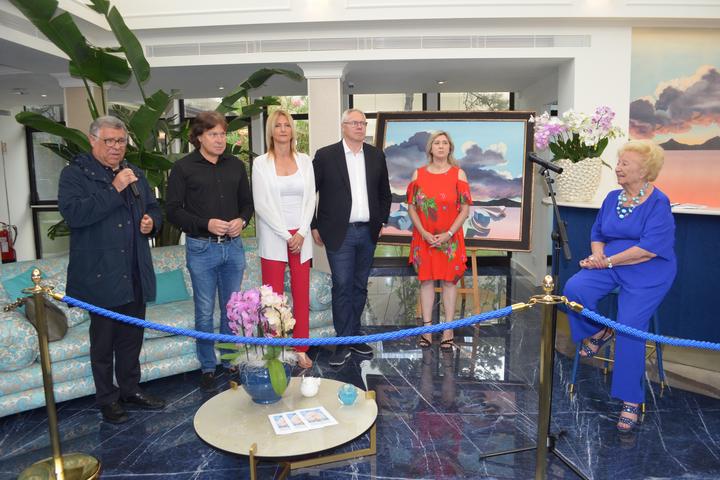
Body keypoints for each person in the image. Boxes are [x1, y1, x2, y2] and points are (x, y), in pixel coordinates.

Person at [58, 116, 165, 424]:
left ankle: (131, 390)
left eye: (121, 141)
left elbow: (154, 207)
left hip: (134, 270)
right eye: (109, 141)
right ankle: (107, 399)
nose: (117, 147)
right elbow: (75, 214)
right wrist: (115, 189)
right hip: (100, 274)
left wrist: (152, 222)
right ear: (93, 140)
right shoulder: (75, 174)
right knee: (103, 342)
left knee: (132, 338)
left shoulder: (134, 172)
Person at [563, 139, 676, 433]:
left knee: (629, 327)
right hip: (611, 262)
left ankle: (630, 400)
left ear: (644, 170)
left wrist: (607, 261)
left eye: (625, 163)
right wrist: (597, 256)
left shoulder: (658, 202)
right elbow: (598, 232)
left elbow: (648, 250)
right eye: (619, 162)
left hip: (649, 269)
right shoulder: (612, 197)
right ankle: (599, 331)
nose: (618, 168)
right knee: (574, 289)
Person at [166, 111, 253, 392]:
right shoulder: (183, 168)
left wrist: (242, 220)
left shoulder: (235, 165)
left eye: (223, 134)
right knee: (204, 311)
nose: (220, 139)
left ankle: (229, 361)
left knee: (231, 310)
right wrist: (206, 224)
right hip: (201, 248)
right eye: (213, 134)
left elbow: (247, 203)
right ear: (199, 137)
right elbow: (172, 211)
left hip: (234, 248)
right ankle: (207, 366)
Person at [311, 108, 392, 366]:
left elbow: (385, 193)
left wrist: (381, 220)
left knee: (359, 285)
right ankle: (342, 341)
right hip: (339, 233)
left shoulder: (376, 155)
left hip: (367, 231)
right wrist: (314, 225)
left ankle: (354, 336)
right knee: (342, 285)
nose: (360, 127)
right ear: (343, 126)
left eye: (363, 123)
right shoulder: (326, 156)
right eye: (354, 123)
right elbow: (309, 193)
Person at [252, 109, 316, 369]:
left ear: (292, 130)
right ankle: (275, 352)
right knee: (273, 299)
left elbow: (311, 199)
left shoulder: (305, 161)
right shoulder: (260, 163)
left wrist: (301, 232)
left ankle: (301, 350)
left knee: (301, 295)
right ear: (271, 130)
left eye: (287, 125)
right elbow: (261, 204)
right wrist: (285, 234)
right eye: (277, 125)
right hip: (273, 237)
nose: (282, 129)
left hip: (301, 236)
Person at [407, 131, 471, 351]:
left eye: (445, 143)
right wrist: (424, 232)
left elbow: (465, 209)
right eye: (437, 143)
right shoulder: (418, 174)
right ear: (430, 148)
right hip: (424, 238)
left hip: (450, 239)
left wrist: (449, 233)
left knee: (449, 282)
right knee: (426, 281)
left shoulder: (458, 174)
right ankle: (426, 329)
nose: (441, 146)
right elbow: (411, 207)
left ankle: (448, 330)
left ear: (449, 148)